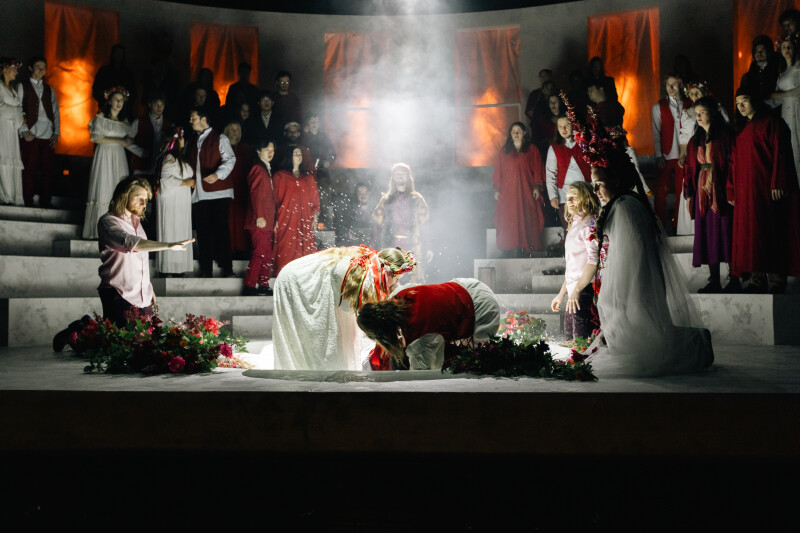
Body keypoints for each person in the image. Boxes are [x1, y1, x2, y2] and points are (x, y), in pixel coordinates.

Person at [569, 105, 714, 377]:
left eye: (600, 184)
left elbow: (630, 261)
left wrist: (616, 302)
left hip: (634, 292)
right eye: (594, 185)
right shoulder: (620, 204)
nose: (596, 190)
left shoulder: (625, 206)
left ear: (615, 180)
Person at [273, 246, 416, 371]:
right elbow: (359, 315)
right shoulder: (366, 278)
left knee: (339, 342)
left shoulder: (372, 267)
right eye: (397, 279)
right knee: (319, 343)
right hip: (299, 281)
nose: (396, 284)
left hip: (312, 279)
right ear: (387, 272)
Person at [728, 87, 800, 293]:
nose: (741, 106)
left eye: (745, 101)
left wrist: (778, 181)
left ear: (755, 101)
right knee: (753, 235)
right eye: (738, 103)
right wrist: (731, 191)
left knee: (772, 232)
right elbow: (734, 164)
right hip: (747, 194)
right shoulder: (741, 132)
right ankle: (756, 278)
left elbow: (781, 153)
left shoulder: (773, 123)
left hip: (766, 191)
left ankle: (777, 280)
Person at [98, 177, 193, 325]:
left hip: (142, 295)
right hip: (118, 292)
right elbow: (132, 244)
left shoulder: (137, 222)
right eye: (139, 198)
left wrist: (147, 288)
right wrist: (168, 245)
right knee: (119, 344)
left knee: (146, 342)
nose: (144, 204)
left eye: (145, 199)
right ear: (124, 195)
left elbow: (140, 260)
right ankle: (79, 330)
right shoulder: (108, 222)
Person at [357, 278, 500, 371]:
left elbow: (423, 379)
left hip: (480, 309)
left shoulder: (420, 338)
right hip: (466, 287)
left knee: (475, 362)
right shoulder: (399, 295)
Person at [682, 97, 737, 293]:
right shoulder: (695, 140)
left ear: (712, 112)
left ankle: (734, 277)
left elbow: (733, 162)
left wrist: (731, 189)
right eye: (696, 113)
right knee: (706, 233)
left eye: (702, 112)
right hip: (702, 192)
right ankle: (714, 278)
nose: (698, 116)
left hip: (721, 189)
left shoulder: (726, 135)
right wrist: (689, 190)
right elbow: (690, 166)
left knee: (727, 231)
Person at [82, 86, 143, 239]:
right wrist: (119, 141)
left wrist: (145, 154)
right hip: (104, 155)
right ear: (109, 101)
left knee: (119, 187)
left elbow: (129, 143)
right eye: (116, 100)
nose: (119, 103)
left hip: (118, 156)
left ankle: (118, 229)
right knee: (104, 186)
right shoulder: (101, 118)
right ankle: (99, 229)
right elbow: (96, 138)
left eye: (121, 101)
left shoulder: (125, 122)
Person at [186, 107, 237, 278]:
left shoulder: (219, 138)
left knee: (221, 231)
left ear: (203, 119)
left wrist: (218, 175)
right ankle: (205, 269)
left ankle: (227, 269)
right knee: (202, 232)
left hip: (219, 193)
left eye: (193, 118)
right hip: (199, 194)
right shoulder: (192, 141)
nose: (191, 121)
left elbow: (230, 159)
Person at [550, 182, 600, 343]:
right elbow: (572, 267)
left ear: (585, 199)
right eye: (567, 198)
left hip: (584, 291)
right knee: (569, 342)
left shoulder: (590, 224)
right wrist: (561, 293)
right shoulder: (575, 224)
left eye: (573, 198)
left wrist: (577, 291)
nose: (569, 202)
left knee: (581, 343)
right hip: (574, 292)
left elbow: (593, 261)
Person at [491, 121, 546, 257]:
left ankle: (525, 247)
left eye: (518, 131)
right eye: (513, 131)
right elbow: (499, 172)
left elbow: (538, 169)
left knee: (527, 216)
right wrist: (497, 189)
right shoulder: (504, 151)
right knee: (509, 217)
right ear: (510, 134)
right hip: (508, 193)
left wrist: (537, 187)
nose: (515, 133)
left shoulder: (532, 149)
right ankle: (510, 246)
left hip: (526, 190)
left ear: (524, 133)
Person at [372, 163, 430, 282]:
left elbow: (425, 226)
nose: (399, 177)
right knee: (391, 281)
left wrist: (429, 247)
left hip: (413, 245)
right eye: (397, 175)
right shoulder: (386, 199)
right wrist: (373, 248)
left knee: (413, 282)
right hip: (391, 245)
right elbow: (376, 226)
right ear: (393, 178)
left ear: (408, 177)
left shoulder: (417, 199)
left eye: (402, 175)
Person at [652, 73, 692, 231]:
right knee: (661, 191)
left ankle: (679, 226)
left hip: (684, 154)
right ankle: (659, 226)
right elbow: (656, 131)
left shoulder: (689, 103)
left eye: (674, 84)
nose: (671, 88)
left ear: (681, 85)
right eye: (668, 85)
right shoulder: (658, 106)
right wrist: (658, 155)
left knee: (681, 191)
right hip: (667, 154)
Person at [18, 56, 60, 208]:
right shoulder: (23, 86)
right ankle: (27, 199)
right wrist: (23, 131)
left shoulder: (50, 89)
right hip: (31, 133)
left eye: (43, 67)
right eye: (37, 66)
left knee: (47, 169)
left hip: (47, 133)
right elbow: (18, 109)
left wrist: (56, 133)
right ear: (30, 68)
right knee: (29, 168)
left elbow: (55, 112)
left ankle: (45, 200)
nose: (41, 70)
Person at [154, 128, 194, 277]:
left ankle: (179, 266)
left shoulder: (181, 157)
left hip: (182, 200)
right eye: (182, 137)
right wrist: (185, 182)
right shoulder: (169, 158)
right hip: (172, 201)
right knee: (171, 230)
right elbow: (165, 180)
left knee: (180, 230)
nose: (184, 140)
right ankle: (168, 266)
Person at [273, 146, 320, 274]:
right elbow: (274, 199)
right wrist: (274, 219)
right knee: (286, 245)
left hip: (304, 218)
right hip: (286, 218)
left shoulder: (308, 178)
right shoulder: (280, 176)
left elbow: (315, 201)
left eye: (300, 154)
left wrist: (314, 218)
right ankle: (283, 273)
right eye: (295, 154)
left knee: (305, 246)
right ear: (290, 156)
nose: (299, 156)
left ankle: (304, 273)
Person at [545, 113, 592, 229]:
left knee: (588, 227)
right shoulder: (554, 148)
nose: (563, 129)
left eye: (567, 125)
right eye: (560, 126)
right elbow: (550, 173)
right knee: (569, 229)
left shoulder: (584, 144)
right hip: (564, 195)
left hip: (586, 192)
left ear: (573, 126)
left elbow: (593, 167)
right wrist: (552, 196)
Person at [242, 138, 276, 296]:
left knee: (267, 253)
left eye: (272, 150)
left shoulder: (267, 168)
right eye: (267, 149)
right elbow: (256, 194)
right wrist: (260, 216)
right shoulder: (257, 168)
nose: (270, 153)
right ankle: (249, 285)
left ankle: (263, 284)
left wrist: (272, 220)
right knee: (260, 252)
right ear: (258, 150)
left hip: (267, 220)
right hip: (259, 220)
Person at [772, 34, 800, 186]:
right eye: (784, 47)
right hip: (786, 113)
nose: (787, 50)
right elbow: (774, 98)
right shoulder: (782, 72)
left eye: (790, 46)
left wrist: (782, 95)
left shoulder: (798, 67)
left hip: (797, 109)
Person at [223, 120, 253, 258]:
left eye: (239, 130)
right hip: (225, 190)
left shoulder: (245, 149)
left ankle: (241, 249)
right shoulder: (221, 147)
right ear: (226, 131)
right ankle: (228, 250)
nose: (237, 133)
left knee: (241, 221)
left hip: (242, 191)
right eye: (233, 129)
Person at [131, 91, 172, 179]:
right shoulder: (139, 122)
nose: (159, 108)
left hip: (161, 170)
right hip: (141, 169)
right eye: (156, 105)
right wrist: (140, 152)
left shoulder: (169, 124)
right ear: (149, 105)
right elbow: (126, 141)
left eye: (162, 105)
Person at [0, 57, 24, 206]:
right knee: (3, 157)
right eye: (14, 68)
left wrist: (18, 114)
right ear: (5, 69)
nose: (16, 72)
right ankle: (4, 194)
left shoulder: (14, 90)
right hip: (2, 128)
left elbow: (19, 111)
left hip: (11, 130)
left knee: (11, 157)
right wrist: (16, 112)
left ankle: (12, 194)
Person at [739, 35, 780, 108]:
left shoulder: (776, 71)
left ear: (768, 52)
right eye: (756, 51)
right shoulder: (748, 76)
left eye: (763, 50)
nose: (759, 54)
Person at [91, 44, 136, 111]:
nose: (119, 55)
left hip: (123, 111)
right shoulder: (104, 71)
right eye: (117, 53)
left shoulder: (128, 74)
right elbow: (96, 90)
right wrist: (106, 99)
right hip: (106, 109)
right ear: (112, 54)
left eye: (121, 53)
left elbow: (133, 92)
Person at [337, 181, 374, 247]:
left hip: (372, 247)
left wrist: (373, 235)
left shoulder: (375, 210)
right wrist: (348, 233)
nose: (363, 195)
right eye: (360, 193)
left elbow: (381, 228)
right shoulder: (350, 211)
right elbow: (342, 227)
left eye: (365, 192)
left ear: (370, 193)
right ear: (356, 194)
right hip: (355, 246)